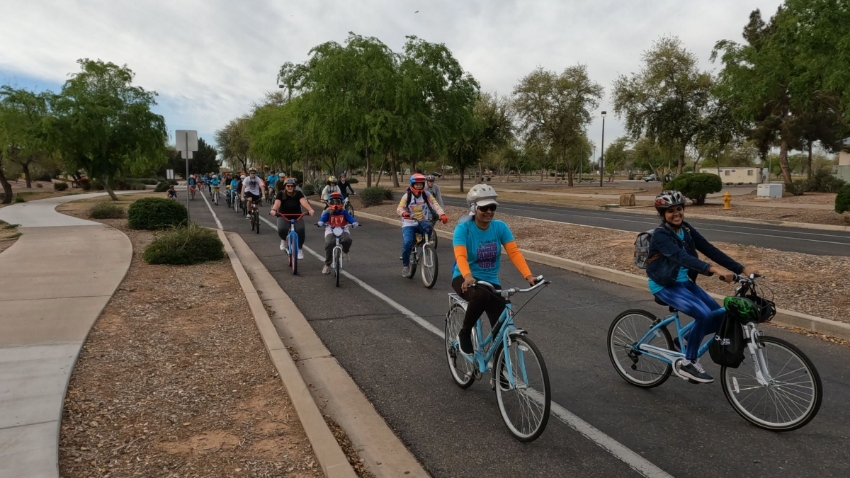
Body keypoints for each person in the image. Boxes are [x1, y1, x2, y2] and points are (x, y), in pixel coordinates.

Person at [646, 190, 759, 384]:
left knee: (720, 317)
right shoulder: (660, 236)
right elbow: (682, 257)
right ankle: (688, 362)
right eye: (670, 211)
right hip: (665, 285)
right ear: (663, 214)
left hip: (684, 283)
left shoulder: (686, 230)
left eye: (679, 209)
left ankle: (685, 340)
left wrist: (741, 268)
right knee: (704, 315)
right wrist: (713, 270)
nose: (676, 214)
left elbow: (709, 249)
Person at [452, 184, 537, 356]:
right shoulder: (463, 229)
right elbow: (460, 255)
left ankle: (502, 377)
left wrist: (529, 276)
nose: (489, 211)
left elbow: (513, 252)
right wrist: (467, 276)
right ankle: (465, 333)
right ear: (474, 208)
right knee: (481, 295)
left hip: (490, 281)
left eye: (493, 207)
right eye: (484, 208)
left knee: (501, 328)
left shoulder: (500, 227)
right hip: (464, 277)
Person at [397, 173, 447, 277]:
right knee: (407, 243)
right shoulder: (407, 196)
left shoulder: (427, 195)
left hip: (423, 221)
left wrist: (442, 214)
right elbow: (399, 208)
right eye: (417, 184)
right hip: (409, 223)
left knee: (429, 228)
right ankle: (406, 266)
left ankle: (423, 244)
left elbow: (435, 204)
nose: (419, 186)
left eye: (421, 184)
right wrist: (403, 213)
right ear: (412, 184)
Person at [271, 178, 315, 259]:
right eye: (288, 186)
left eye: (292, 186)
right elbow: (277, 203)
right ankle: (284, 239)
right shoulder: (280, 194)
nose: (290, 187)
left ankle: (299, 249)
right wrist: (273, 210)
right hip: (283, 215)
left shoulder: (298, 193)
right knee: (282, 229)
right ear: (285, 186)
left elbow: (303, 201)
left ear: (294, 186)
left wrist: (310, 209)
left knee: (301, 230)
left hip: (297, 215)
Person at [317, 192, 359, 274]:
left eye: (338, 201)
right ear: (329, 203)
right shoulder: (327, 212)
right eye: (333, 202)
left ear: (342, 203)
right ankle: (327, 265)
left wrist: (354, 222)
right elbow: (323, 218)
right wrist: (321, 222)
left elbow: (350, 218)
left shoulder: (344, 212)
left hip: (343, 229)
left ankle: (345, 252)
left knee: (348, 240)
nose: (336, 204)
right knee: (329, 243)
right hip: (330, 229)